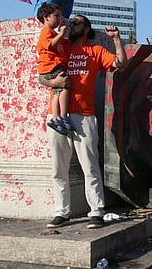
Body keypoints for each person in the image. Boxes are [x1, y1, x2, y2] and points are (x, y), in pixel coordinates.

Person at [39, 15, 128, 229]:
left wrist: (117, 40)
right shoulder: (61, 46)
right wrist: (54, 81)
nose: (71, 25)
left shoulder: (95, 51)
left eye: (76, 22)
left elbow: (121, 64)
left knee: (89, 166)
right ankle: (62, 211)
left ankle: (96, 210)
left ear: (87, 28)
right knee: (58, 168)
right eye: (70, 22)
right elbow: (41, 76)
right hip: (57, 115)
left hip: (85, 116)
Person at [35, 2, 72, 135]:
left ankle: (56, 117)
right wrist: (61, 34)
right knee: (65, 87)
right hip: (51, 66)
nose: (59, 19)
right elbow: (50, 45)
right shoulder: (46, 32)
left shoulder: (51, 32)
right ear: (46, 17)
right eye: (56, 16)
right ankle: (63, 115)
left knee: (57, 92)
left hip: (52, 66)